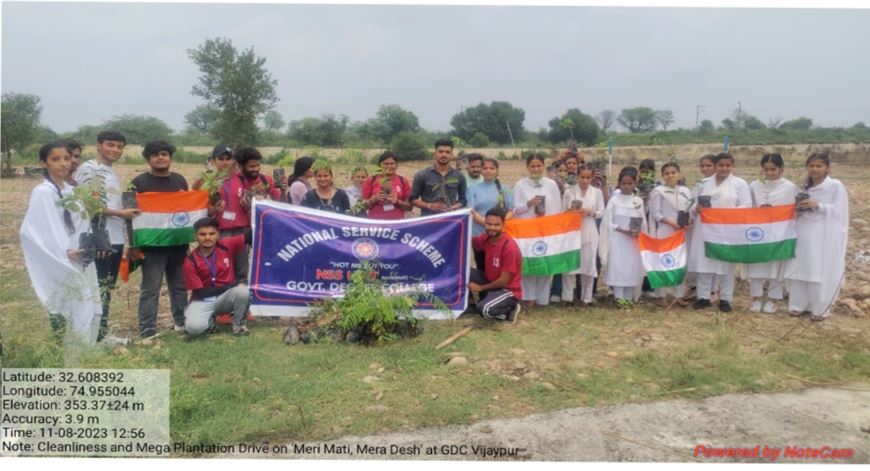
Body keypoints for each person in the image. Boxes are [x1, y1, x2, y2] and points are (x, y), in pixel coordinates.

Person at [20, 140, 101, 345]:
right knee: (62, 302)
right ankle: (60, 351)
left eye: (67, 158)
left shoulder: (72, 190)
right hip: (60, 257)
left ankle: (82, 351)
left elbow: (81, 222)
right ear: (44, 163)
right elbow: (37, 229)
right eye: (55, 159)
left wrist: (86, 245)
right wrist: (64, 251)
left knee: (84, 300)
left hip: (79, 254)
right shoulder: (43, 191)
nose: (63, 163)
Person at [74, 130, 140, 341]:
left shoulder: (110, 172)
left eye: (119, 146)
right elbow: (88, 205)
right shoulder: (90, 169)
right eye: (110, 145)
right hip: (98, 238)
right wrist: (121, 213)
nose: (115, 150)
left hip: (115, 238)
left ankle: (100, 335)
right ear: (99, 145)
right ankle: (91, 337)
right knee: (97, 288)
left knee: (106, 288)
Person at [128, 140, 190, 339]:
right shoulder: (138, 183)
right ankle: (147, 329)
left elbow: (186, 213)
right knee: (151, 289)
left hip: (177, 245)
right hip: (151, 247)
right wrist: (132, 244)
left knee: (179, 286)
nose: (160, 158)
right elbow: (130, 217)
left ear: (170, 157)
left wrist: (188, 241)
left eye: (164, 154)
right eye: (155, 155)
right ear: (149, 159)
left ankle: (181, 322)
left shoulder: (180, 181)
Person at [783, 153, 848, 321]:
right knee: (800, 265)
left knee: (818, 267)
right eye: (811, 166)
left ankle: (819, 308)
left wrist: (819, 206)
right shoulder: (805, 187)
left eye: (819, 166)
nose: (815, 169)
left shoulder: (835, 186)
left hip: (823, 233)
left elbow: (840, 210)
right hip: (803, 230)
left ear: (827, 168)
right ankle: (798, 305)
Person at [691, 152, 751, 312]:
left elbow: (746, 205)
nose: (724, 168)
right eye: (721, 165)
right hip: (705, 228)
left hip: (728, 229)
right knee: (705, 262)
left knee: (727, 265)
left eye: (728, 165)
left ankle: (725, 299)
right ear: (715, 165)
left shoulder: (739, 184)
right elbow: (693, 204)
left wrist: (727, 213)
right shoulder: (703, 184)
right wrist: (696, 208)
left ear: (732, 166)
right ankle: (703, 297)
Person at [217, 147, 281, 281]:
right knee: (227, 268)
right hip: (235, 230)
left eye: (257, 165)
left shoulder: (266, 180)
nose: (256, 169)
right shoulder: (233, 181)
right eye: (251, 166)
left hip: (260, 229)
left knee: (257, 266)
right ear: (241, 166)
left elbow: (278, 203)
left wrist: (283, 189)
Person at [746, 154, 798, 314]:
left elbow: (793, 210)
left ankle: (774, 298)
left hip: (778, 233)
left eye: (773, 169)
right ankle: (756, 297)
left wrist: (775, 212)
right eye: (766, 169)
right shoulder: (754, 185)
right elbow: (748, 206)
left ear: (781, 169)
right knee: (755, 264)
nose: (769, 173)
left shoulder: (789, 187)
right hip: (758, 232)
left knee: (776, 265)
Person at [182, 218, 251, 337]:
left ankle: (239, 326)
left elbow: (250, 235)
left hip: (225, 298)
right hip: (203, 300)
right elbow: (201, 292)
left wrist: (258, 207)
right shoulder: (190, 261)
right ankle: (209, 321)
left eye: (212, 233)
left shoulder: (226, 245)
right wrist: (232, 285)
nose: (207, 237)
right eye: (202, 234)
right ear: (195, 236)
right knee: (193, 329)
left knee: (243, 291)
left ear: (218, 234)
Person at [511, 153, 562, 308]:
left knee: (545, 262)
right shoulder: (520, 185)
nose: (535, 169)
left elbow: (557, 208)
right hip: (528, 231)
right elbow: (515, 210)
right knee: (530, 262)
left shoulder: (551, 184)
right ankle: (528, 297)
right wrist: (528, 204)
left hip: (546, 229)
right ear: (527, 167)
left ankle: (542, 298)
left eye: (538, 166)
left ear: (543, 166)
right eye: (532, 166)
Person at [599, 166, 647, 308]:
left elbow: (642, 219)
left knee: (632, 267)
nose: (627, 186)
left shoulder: (638, 201)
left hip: (633, 240)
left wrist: (639, 231)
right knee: (618, 266)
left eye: (630, 183)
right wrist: (622, 229)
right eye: (624, 183)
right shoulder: (614, 200)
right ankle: (618, 296)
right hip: (618, 239)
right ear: (619, 183)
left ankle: (629, 296)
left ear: (635, 184)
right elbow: (608, 221)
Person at [648, 162, 693, 304]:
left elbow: (690, 210)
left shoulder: (685, 191)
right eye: (667, 173)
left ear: (678, 173)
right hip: (666, 230)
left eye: (673, 172)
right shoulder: (658, 191)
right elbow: (656, 214)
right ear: (662, 176)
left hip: (681, 232)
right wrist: (672, 223)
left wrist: (689, 222)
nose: (670, 176)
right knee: (663, 261)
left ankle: (678, 295)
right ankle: (660, 295)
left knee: (680, 261)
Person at [561, 165, 605, 306]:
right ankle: (567, 297)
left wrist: (589, 212)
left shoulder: (596, 192)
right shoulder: (569, 192)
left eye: (588, 177)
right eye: (582, 177)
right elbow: (561, 213)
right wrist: (569, 212)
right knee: (569, 266)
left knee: (588, 264)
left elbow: (602, 212)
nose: (584, 180)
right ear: (577, 176)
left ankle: (586, 298)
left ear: (592, 178)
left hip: (589, 230)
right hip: (572, 232)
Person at [468, 208, 522, 323]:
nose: (492, 228)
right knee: (462, 271)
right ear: (485, 223)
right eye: (489, 224)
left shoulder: (509, 247)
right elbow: (468, 241)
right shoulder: (486, 238)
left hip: (507, 289)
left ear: (503, 225)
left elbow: (504, 281)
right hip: (490, 281)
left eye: (496, 224)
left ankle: (510, 309)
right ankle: (470, 302)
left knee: (485, 310)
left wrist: (480, 288)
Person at [468, 157, 514, 268]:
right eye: (485, 168)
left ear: (497, 171)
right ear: (481, 171)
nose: (488, 170)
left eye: (491, 168)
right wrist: (488, 225)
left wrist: (497, 226)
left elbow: (511, 210)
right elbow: (471, 210)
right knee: (482, 266)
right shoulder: (472, 188)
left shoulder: (505, 189)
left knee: (498, 266)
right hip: (478, 234)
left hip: (499, 235)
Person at [685, 154, 717, 298]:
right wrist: (695, 209)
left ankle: (714, 289)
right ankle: (699, 289)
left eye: (709, 165)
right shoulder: (699, 185)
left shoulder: (721, 184)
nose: (705, 168)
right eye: (703, 165)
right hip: (700, 225)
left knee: (715, 256)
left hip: (717, 225)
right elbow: (691, 204)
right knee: (701, 257)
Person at [410, 139, 468, 216]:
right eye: (440, 151)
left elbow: (463, 200)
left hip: (451, 221)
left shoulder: (459, 176)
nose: (444, 155)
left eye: (447, 152)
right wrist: (429, 206)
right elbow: (412, 199)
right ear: (435, 154)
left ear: (451, 155)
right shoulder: (422, 175)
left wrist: (453, 208)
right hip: (429, 221)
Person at [361, 151, 412, 219]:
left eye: (392, 163)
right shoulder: (371, 180)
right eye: (386, 164)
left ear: (396, 165)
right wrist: (373, 199)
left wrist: (397, 201)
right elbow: (362, 207)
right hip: (375, 222)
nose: (389, 166)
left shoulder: (403, 181)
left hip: (397, 222)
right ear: (379, 165)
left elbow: (409, 207)